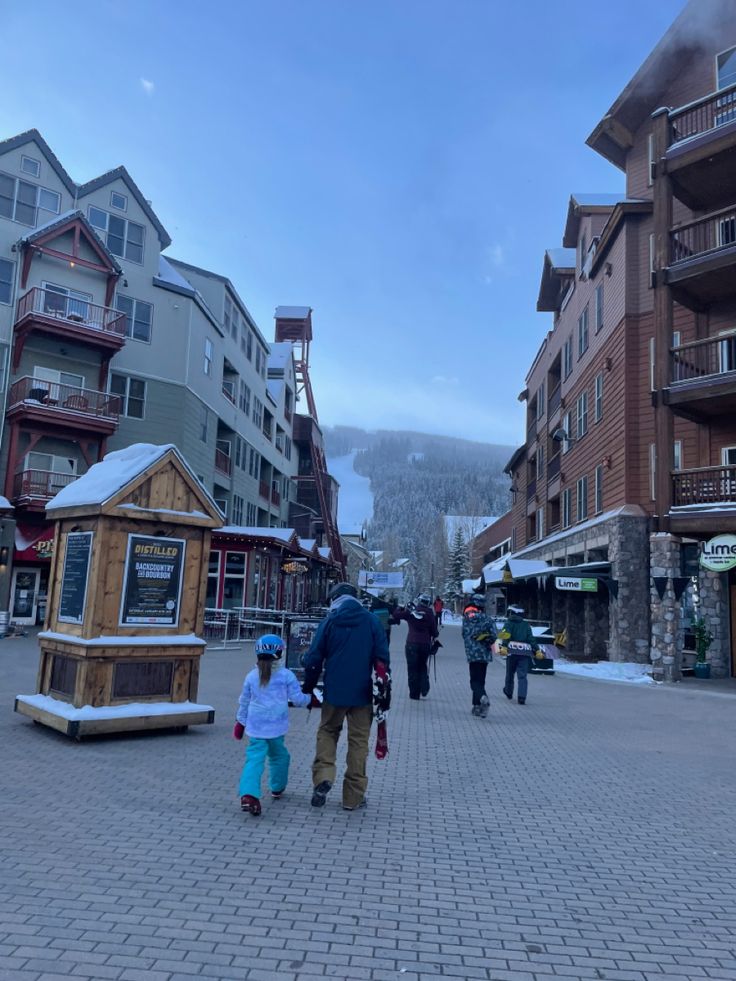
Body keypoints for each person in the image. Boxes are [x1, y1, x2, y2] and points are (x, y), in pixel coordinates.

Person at [302, 582, 389, 811]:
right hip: (362, 693)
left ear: (335, 599)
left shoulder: (330, 621)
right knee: (359, 742)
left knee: (328, 731)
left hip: (334, 691)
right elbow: (382, 658)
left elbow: (314, 658)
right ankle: (353, 797)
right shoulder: (371, 621)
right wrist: (383, 690)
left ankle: (323, 776)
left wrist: (308, 687)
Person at [233, 633, 316, 816]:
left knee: (254, 760)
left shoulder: (251, 676)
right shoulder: (286, 675)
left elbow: (244, 701)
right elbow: (298, 699)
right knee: (280, 757)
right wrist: (311, 699)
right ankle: (277, 787)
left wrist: (240, 722)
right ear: (279, 653)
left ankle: (248, 794)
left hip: (255, 727)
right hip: (276, 728)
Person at [391, 592, 438, 700]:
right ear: (428, 603)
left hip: (411, 644)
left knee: (412, 668)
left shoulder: (412, 611)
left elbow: (396, 615)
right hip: (425, 644)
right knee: (422, 666)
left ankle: (414, 694)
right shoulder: (430, 613)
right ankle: (424, 687)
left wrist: (400, 608)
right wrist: (434, 634)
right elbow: (434, 632)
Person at [498, 604, 544, 705]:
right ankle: (522, 697)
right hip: (524, 653)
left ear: (512, 612)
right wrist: (537, 650)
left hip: (511, 653)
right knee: (522, 676)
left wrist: (504, 647)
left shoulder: (508, 623)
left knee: (510, 674)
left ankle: (509, 692)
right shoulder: (526, 625)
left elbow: (505, 636)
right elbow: (531, 639)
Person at [461, 593, 497, 718]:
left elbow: (464, 634)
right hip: (484, 654)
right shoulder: (488, 619)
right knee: (481, 680)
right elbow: (494, 637)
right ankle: (477, 706)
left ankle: (482, 699)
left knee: (474, 681)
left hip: (472, 654)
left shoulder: (467, 618)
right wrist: (486, 639)